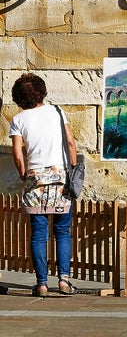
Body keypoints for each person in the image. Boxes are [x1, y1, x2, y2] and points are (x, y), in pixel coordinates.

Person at [9, 73, 77, 297]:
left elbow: (18, 154)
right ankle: (64, 281)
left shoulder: (19, 120)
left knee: (39, 234)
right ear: (41, 92)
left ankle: (42, 284)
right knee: (62, 231)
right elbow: (70, 142)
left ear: (19, 96)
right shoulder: (57, 112)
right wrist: (73, 168)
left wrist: (23, 175)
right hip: (61, 177)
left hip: (35, 178)